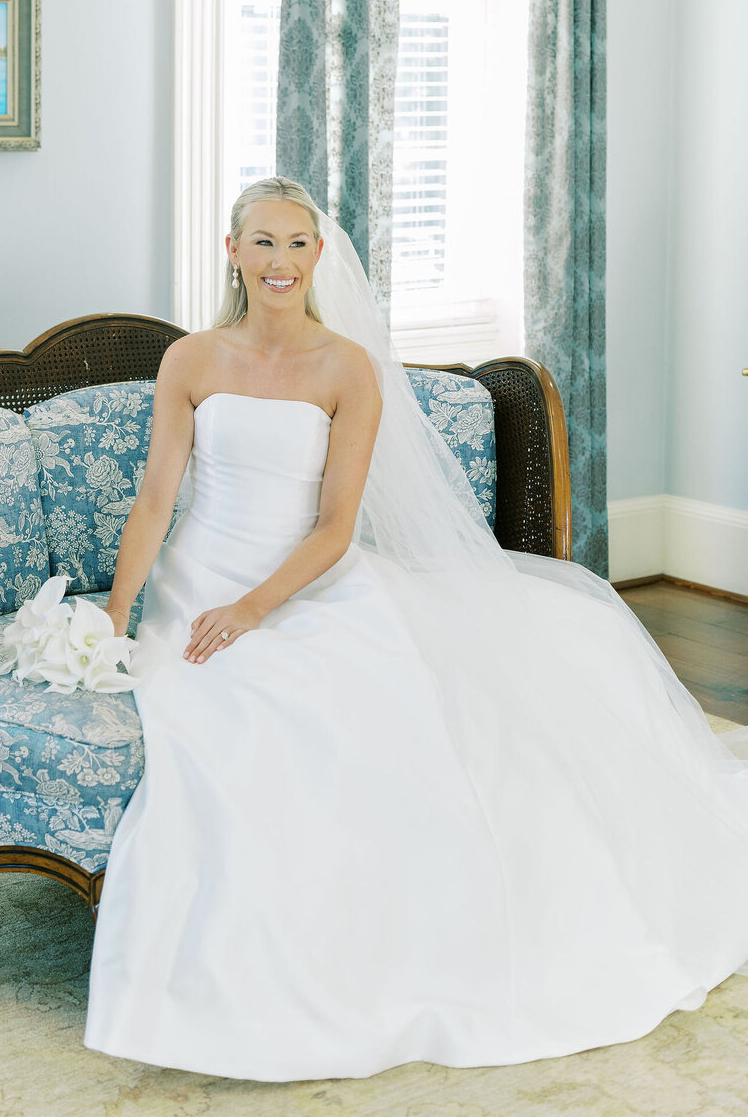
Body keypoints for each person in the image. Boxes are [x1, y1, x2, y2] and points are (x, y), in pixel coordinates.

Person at [83, 175, 748, 1083]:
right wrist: (114, 618)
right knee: (205, 722)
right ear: (232, 253)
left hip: (303, 584)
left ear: (319, 256)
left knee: (350, 713)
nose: (281, 262)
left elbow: (333, 530)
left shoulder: (344, 367)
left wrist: (253, 611)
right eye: (263, 243)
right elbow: (156, 499)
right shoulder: (191, 361)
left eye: (297, 244)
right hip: (195, 588)